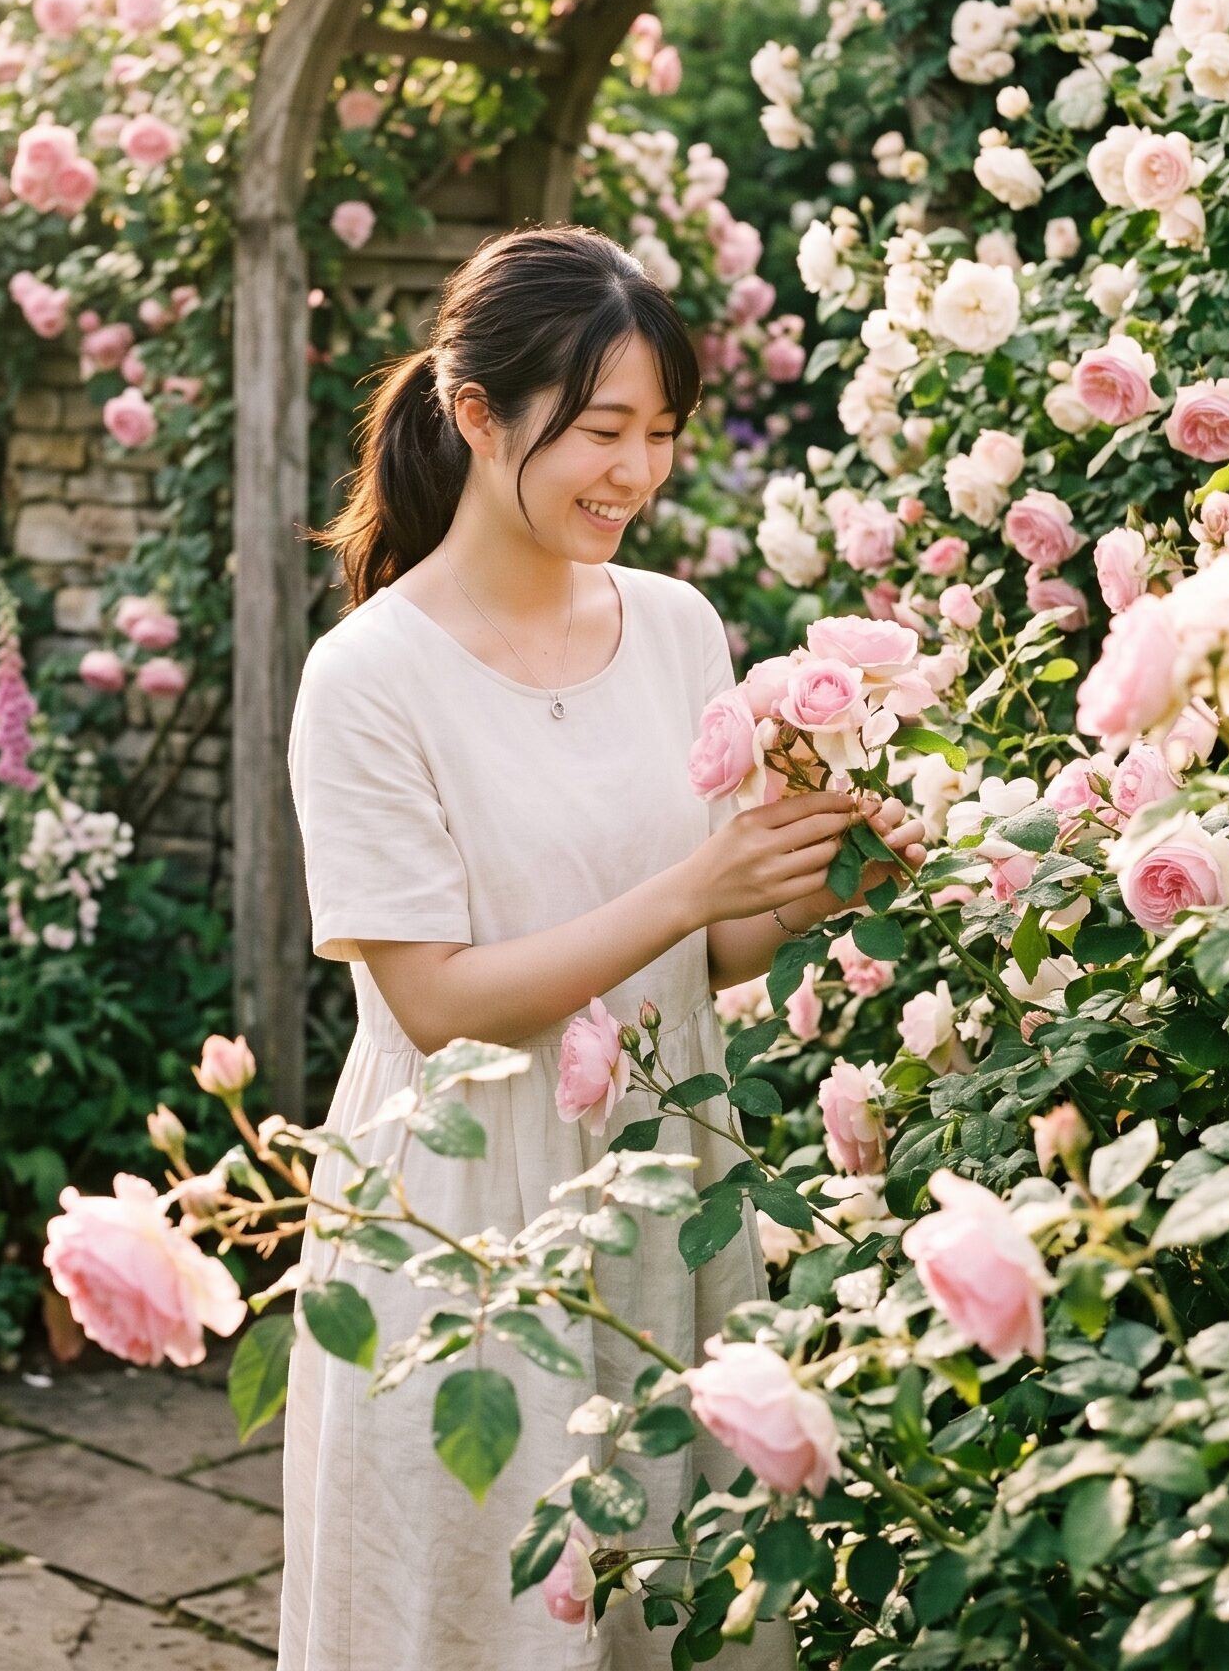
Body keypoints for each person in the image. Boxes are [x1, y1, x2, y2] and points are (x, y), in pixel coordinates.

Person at [280, 225, 924, 1670]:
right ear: (477, 416)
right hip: (464, 1203)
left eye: (662, 434)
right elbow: (432, 1003)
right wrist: (699, 890)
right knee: (475, 1603)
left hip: (659, 1176)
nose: (636, 473)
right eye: (600, 432)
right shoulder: (370, 676)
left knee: (665, 1590)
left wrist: (817, 879)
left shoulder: (677, 627)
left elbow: (707, 947)